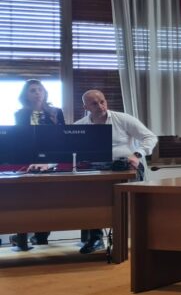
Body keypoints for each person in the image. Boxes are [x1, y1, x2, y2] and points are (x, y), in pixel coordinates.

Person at [75, 89, 158, 255]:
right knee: (90, 199)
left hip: (127, 166)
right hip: (96, 169)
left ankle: (137, 238)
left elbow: (150, 137)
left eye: (102, 101)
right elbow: (66, 149)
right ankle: (96, 238)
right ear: (86, 107)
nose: (100, 106)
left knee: (131, 203)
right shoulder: (80, 126)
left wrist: (137, 154)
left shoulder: (123, 119)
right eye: (94, 104)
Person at [10, 79, 66, 251]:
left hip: (50, 161)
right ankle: (21, 239)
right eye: (33, 90)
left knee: (47, 201)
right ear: (26, 95)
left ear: (44, 93)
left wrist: (50, 161)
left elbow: (63, 137)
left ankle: (41, 237)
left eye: (40, 90)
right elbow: (19, 139)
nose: (37, 93)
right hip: (27, 160)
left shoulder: (56, 112)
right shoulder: (20, 114)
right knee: (25, 200)